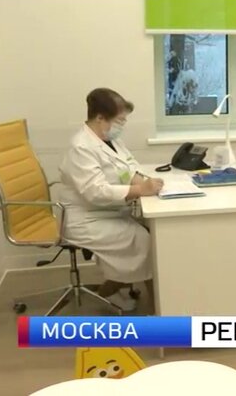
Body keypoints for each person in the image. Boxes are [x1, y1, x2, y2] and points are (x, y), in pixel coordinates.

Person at [58, 88, 164, 311]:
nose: (122, 126)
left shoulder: (109, 140)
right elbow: (95, 191)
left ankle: (114, 289)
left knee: (152, 232)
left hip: (107, 212)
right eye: (119, 121)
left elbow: (129, 167)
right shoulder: (81, 147)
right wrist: (139, 190)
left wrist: (144, 182)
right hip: (85, 219)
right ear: (100, 118)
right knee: (144, 241)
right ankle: (156, 307)